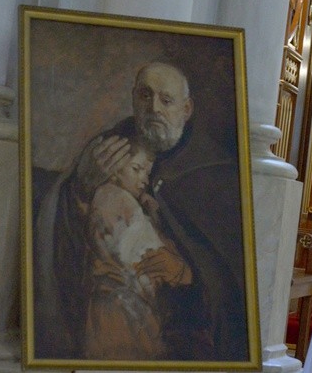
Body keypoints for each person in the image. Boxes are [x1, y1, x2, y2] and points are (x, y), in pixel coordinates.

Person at [35, 62, 249, 361]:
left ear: (186, 109)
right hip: (111, 309)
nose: (154, 108)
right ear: (134, 98)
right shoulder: (109, 147)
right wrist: (81, 190)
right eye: (145, 96)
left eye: (166, 100)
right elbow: (61, 232)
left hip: (178, 330)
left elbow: (229, 281)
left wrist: (185, 273)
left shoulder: (214, 172)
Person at [84, 137, 174, 359]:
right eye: (137, 169)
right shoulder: (117, 198)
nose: (144, 179)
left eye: (147, 173)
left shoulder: (110, 196)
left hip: (115, 301)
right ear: (114, 170)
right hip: (123, 303)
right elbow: (136, 252)